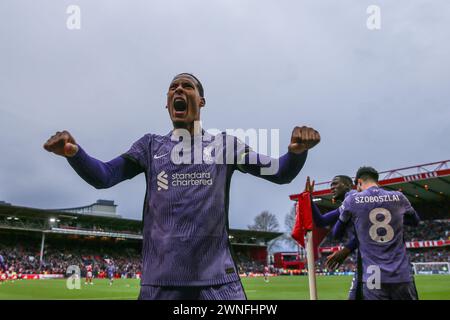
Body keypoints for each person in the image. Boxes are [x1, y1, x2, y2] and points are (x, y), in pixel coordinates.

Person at [43, 73, 321, 300]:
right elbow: (104, 176)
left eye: (186, 85)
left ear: (201, 100)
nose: (178, 89)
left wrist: (297, 153)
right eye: (172, 87)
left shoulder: (225, 145)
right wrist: (74, 154)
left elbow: (280, 173)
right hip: (160, 284)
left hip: (218, 285)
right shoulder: (150, 146)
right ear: (167, 104)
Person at [332, 166, 420, 300]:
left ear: (359, 182)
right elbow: (415, 221)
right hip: (401, 273)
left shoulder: (352, 200)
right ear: (376, 181)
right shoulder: (399, 197)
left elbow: (336, 232)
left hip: (373, 275)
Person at [306, 175, 362, 300]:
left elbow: (366, 233)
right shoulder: (345, 206)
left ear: (348, 185)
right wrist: (309, 198)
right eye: (331, 184)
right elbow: (321, 221)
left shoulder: (355, 199)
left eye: (336, 183)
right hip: (364, 258)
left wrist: (346, 250)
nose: (332, 187)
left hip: (372, 257)